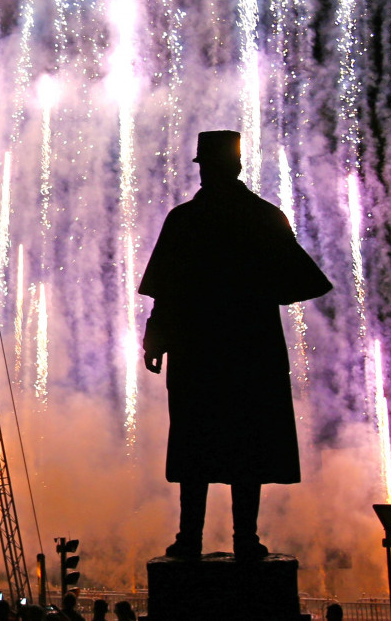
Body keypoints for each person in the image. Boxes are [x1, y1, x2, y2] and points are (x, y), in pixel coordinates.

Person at [140, 130, 332, 561]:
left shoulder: (184, 219)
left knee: (196, 441)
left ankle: (189, 537)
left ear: (207, 168)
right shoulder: (264, 216)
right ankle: (246, 537)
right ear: (239, 167)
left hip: (198, 350)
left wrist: (156, 338)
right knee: (249, 441)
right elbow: (304, 281)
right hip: (252, 348)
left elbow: (164, 292)